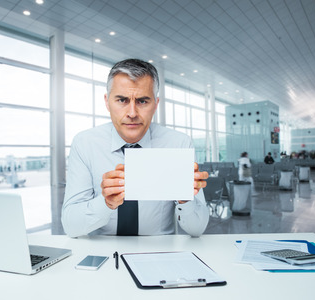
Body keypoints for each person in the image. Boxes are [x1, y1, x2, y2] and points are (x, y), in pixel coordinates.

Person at [61, 59, 209, 238]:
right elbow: (71, 226)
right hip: (103, 252)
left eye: (142, 101)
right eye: (122, 100)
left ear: (156, 103)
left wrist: (185, 199)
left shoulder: (178, 143)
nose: (132, 113)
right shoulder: (85, 143)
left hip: (160, 254)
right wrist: (105, 203)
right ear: (107, 102)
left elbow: (197, 229)